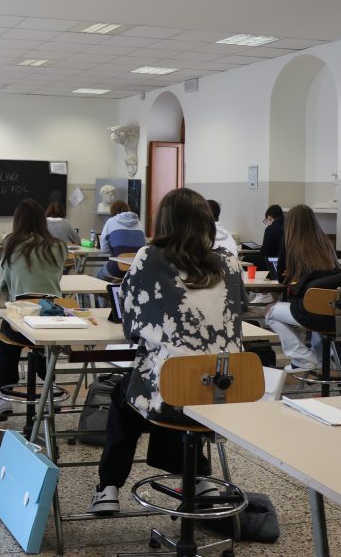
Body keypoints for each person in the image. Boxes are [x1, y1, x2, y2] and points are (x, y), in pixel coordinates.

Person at [89, 189, 244, 514]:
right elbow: (239, 308)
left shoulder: (150, 258)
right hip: (226, 393)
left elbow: (132, 327)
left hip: (170, 393)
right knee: (179, 381)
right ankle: (196, 474)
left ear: (164, 222)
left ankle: (108, 486)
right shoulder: (229, 262)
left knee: (128, 395)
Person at [0, 199, 67, 418]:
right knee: (45, 348)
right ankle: (48, 391)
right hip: (51, 320)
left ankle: (4, 396)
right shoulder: (58, 246)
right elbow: (56, 278)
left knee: (6, 347)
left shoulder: (11, 243)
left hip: (20, 319)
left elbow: (3, 283)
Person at [265, 204, 337, 371]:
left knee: (270, 312)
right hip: (331, 309)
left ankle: (303, 357)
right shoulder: (325, 242)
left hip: (307, 309)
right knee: (320, 321)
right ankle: (320, 357)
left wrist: (290, 274)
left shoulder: (290, 243)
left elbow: (282, 278)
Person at [96, 200, 146, 280]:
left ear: (113, 211)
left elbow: (104, 249)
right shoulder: (139, 223)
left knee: (98, 278)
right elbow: (144, 246)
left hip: (117, 269)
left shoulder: (110, 221)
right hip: (136, 270)